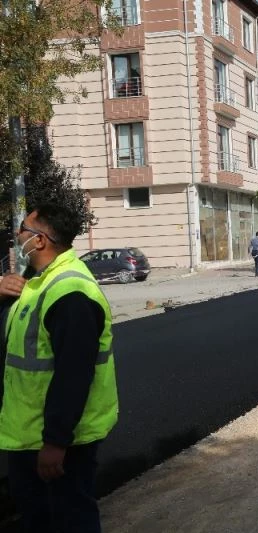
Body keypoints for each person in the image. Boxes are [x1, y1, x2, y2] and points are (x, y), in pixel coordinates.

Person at [0, 203, 118, 532]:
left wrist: (56, 442)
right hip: (29, 432)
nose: (16, 235)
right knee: (41, 517)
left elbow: (74, 375)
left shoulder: (70, 292)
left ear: (39, 241)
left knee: (68, 519)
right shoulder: (39, 282)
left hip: (56, 443)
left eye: (22, 229)